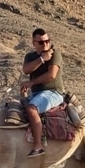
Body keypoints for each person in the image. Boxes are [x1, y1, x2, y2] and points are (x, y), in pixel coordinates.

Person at [19, 27, 66, 157]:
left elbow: (52, 75)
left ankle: (38, 146)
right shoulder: (30, 56)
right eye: (41, 42)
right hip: (36, 94)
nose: (45, 44)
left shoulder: (55, 54)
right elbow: (26, 70)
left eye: (47, 41)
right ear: (34, 43)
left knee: (32, 109)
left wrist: (31, 83)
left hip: (53, 92)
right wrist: (41, 59)